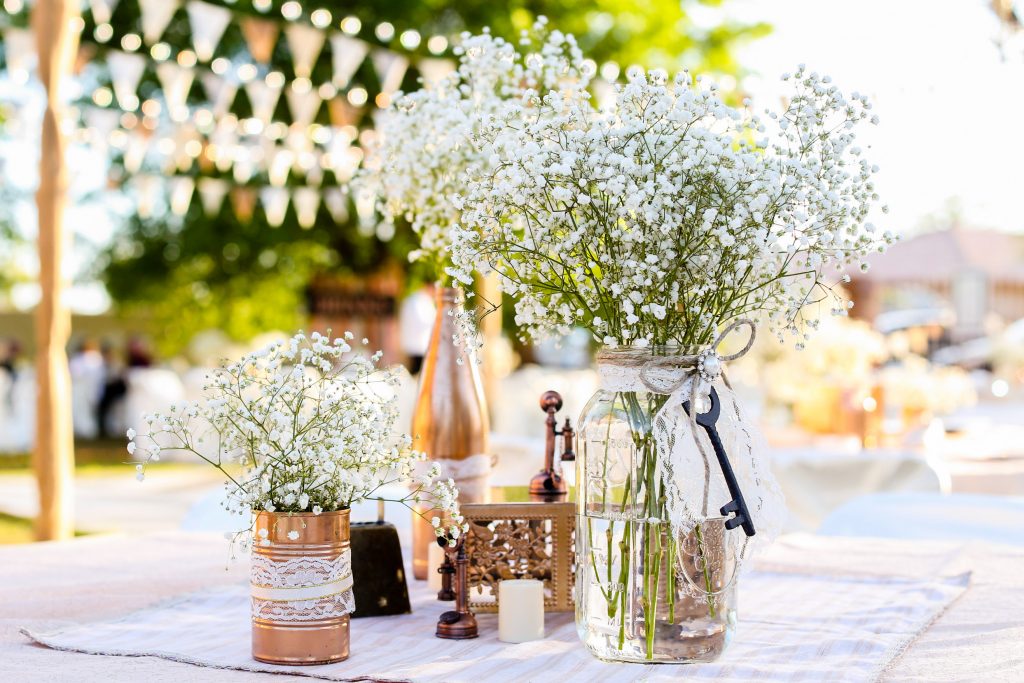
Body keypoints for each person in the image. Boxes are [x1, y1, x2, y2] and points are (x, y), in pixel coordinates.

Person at [398, 283, 436, 375]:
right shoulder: (420, 301)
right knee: (418, 373)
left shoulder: (413, 300)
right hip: (418, 345)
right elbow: (425, 321)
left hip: (415, 344)